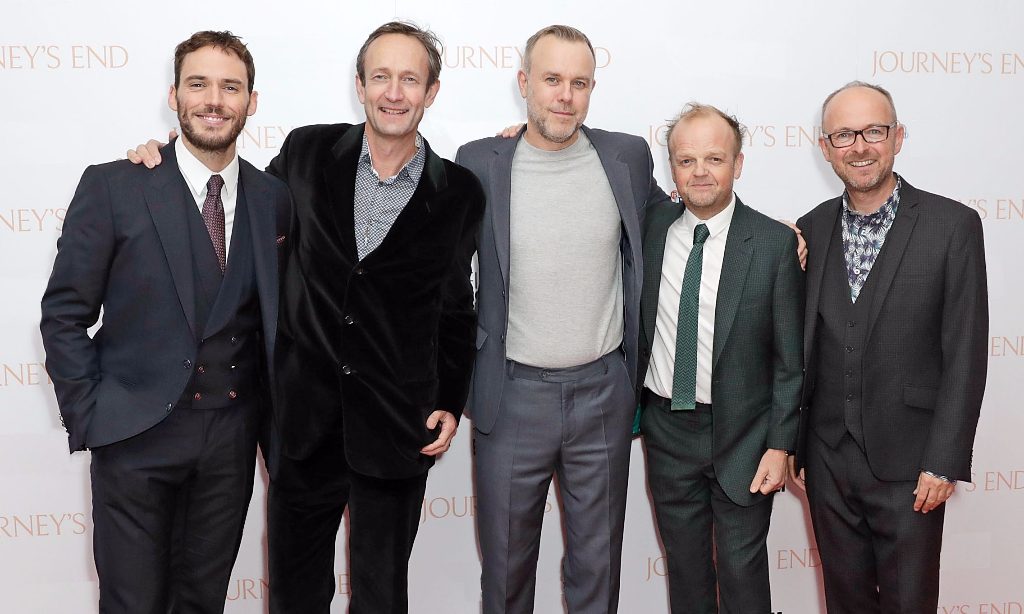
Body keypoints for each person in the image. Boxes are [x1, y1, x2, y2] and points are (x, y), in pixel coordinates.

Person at [128, 21, 484, 614]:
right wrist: (171, 161)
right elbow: (235, 204)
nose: (394, 92)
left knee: (382, 596)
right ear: (360, 85)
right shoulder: (307, 152)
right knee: (295, 596)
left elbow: (455, 307)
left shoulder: (460, 191)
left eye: (409, 79)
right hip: (301, 422)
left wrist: (450, 395)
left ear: (432, 91)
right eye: (381, 77)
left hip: (397, 426)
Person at [40, 31, 290, 612]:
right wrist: (92, 413)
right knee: (132, 603)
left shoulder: (273, 198)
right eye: (198, 84)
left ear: (252, 102)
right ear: (174, 96)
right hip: (133, 438)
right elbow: (64, 314)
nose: (214, 100)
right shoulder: (115, 185)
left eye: (231, 87)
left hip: (229, 443)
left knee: (203, 601)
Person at [454, 25, 669, 614]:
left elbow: (679, 223)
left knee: (598, 570)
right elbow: (439, 271)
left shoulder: (627, 157)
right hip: (511, 395)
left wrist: (776, 232)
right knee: (505, 571)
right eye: (552, 80)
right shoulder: (479, 162)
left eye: (580, 83)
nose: (565, 96)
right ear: (524, 83)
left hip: (603, 394)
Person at [789, 81, 988, 613]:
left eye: (873, 131)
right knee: (844, 602)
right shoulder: (811, 228)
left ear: (898, 137)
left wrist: (944, 461)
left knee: (909, 603)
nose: (860, 147)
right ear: (826, 147)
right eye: (844, 135)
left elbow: (966, 354)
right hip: (827, 461)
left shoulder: (953, 226)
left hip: (912, 464)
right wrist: (799, 447)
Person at [634, 103, 803, 614]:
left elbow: (790, 361)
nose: (700, 172)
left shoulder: (773, 243)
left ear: (738, 164)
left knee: (741, 574)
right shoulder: (651, 227)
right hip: (667, 428)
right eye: (686, 160)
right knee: (686, 572)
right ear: (671, 168)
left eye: (715, 158)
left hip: (744, 435)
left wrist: (780, 445)